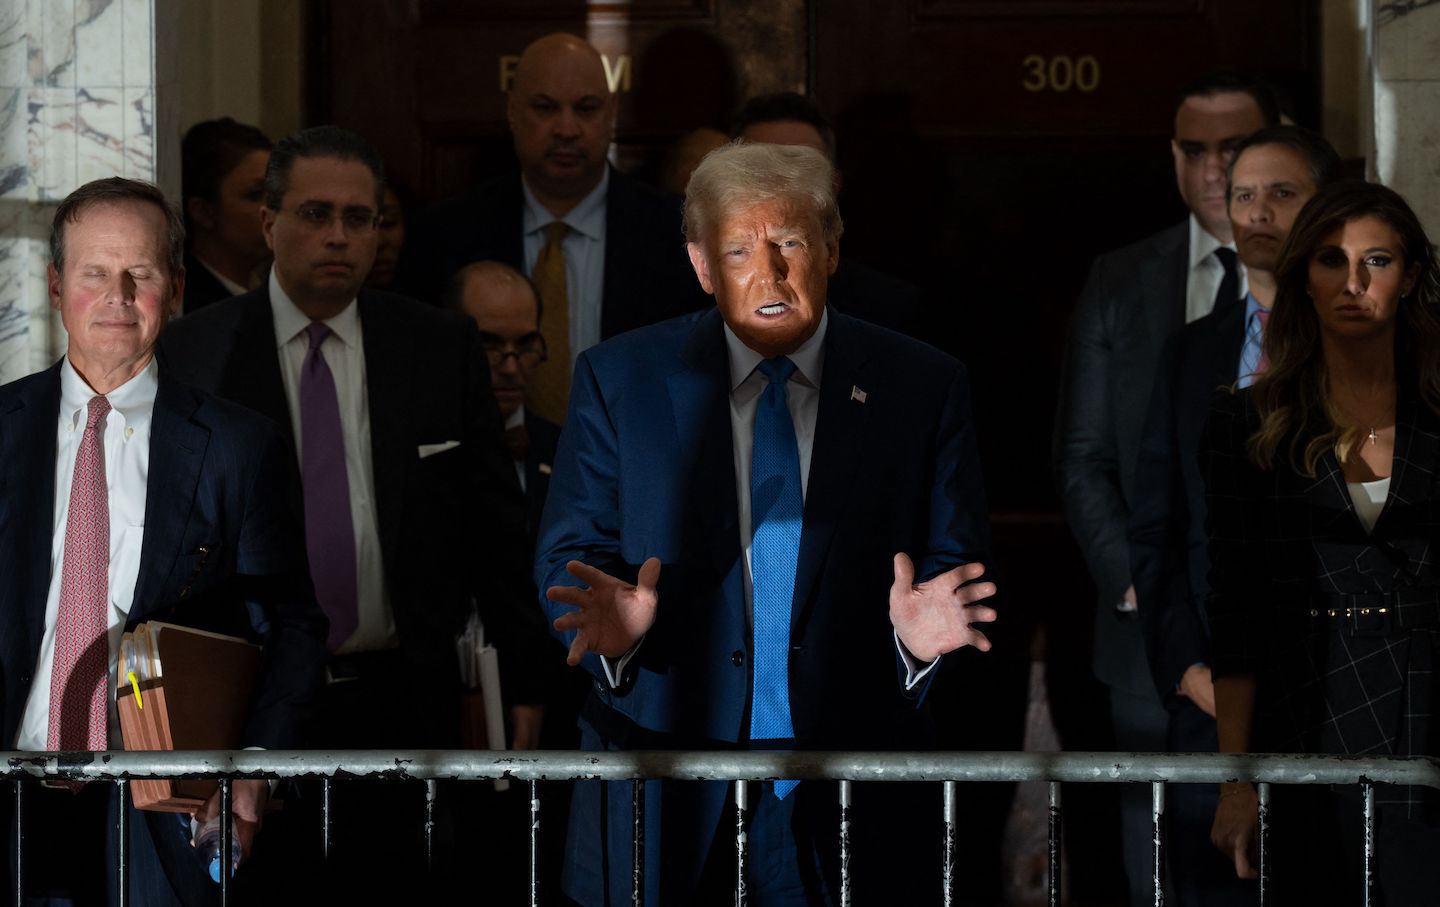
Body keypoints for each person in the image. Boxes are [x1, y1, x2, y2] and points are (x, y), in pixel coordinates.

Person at [537, 141, 996, 906]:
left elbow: (957, 562)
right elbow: (570, 555)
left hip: (848, 791)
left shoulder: (922, 384)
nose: (771, 273)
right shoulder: (621, 379)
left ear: (833, 249)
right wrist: (617, 638)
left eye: (790, 243)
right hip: (668, 783)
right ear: (702, 265)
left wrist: (915, 647)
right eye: (740, 249)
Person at [158, 126, 545, 900]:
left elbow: (495, 532)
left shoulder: (437, 344)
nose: (338, 236)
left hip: (406, 698)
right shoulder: (194, 353)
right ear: (270, 225)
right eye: (315, 214)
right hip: (254, 703)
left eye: (359, 218)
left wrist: (526, 684)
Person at [0, 177, 327, 905]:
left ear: (174, 287)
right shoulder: (3, 431)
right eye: (93, 272)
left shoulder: (237, 447)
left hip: (161, 813)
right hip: (10, 791)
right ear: (56, 285)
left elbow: (295, 626)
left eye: (139, 273)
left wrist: (255, 767)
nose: (116, 293)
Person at [1054, 69, 1276, 904]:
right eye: (1198, 149)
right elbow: (1082, 458)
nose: (1217, 168)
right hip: (1149, 648)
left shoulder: (1327, 287)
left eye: (1236, 147)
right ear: (1174, 157)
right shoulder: (1121, 278)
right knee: (1163, 874)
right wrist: (1158, 595)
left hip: (1291, 655)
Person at [1201, 180, 1440, 904]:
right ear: (1304, 274)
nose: (1354, 283)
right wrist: (1238, 777)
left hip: (1430, 707)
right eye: (1332, 261)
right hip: (1306, 703)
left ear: (1411, 278)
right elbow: (1236, 613)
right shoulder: (1247, 426)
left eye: (1377, 260)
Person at [1128, 125, 1340, 907]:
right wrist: (1187, 667)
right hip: (1210, 717)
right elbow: (1156, 528)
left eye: (1282, 194)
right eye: (1244, 195)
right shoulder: (1190, 352)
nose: (1256, 211)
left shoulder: (1371, 346)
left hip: (1342, 710)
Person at [397, 32, 708, 422]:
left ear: (611, 112)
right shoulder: (443, 234)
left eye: (586, 108)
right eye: (545, 108)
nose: (566, 129)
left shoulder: (677, 235)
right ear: (512, 111)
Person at [730, 91, 928, 340]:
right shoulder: (690, 301)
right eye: (761, 170)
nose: (782, 188)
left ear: (834, 185)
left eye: (803, 169)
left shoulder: (892, 311)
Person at [445, 261, 560, 540]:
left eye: (525, 345)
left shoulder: (566, 449)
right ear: (448, 343)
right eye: (488, 344)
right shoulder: (421, 448)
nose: (510, 368)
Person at [180, 118, 272, 312]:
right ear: (203, 212)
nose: (273, 208)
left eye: (277, 193)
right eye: (254, 195)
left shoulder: (268, 292)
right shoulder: (190, 310)